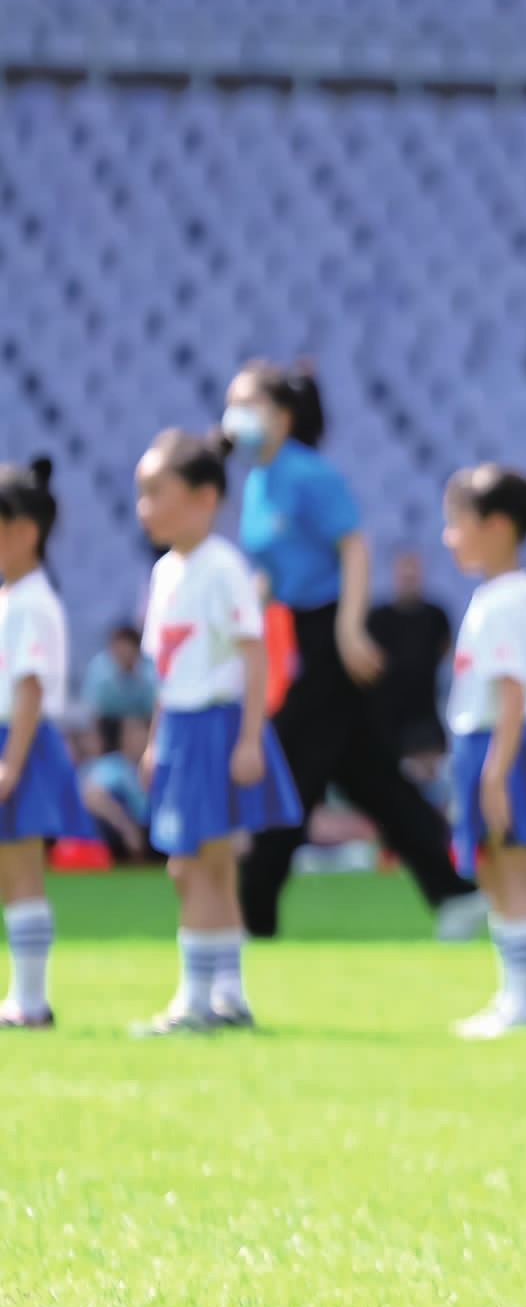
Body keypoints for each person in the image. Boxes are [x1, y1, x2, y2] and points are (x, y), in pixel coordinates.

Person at [221, 362, 479, 941]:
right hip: (293, 631)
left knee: (287, 768)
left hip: (329, 635)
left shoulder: (309, 474)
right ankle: (454, 892)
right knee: (370, 778)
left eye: (247, 404)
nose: (233, 417)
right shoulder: (259, 480)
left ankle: (253, 910)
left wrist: (348, 629)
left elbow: (354, 548)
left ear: (282, 416)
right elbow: (272, 569)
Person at [130, 430, 302, 1034]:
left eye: (157, 492)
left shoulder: (222, 567)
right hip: (181, 727)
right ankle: (228, 994)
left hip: (216, 724)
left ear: (205, 497)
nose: (145, 507)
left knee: (195, 865)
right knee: (210, 864)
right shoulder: (165, 572)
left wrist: (250, 737)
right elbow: (168, 667)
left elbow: (253, 654)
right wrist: (157, 738)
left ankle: (195, 999)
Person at [440, 466, 526, 1039]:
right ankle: (511, 997)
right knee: (494, 870)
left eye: (457, 523)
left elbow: (514, 692)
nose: (449, 537)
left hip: (505, 746)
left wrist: (496, 771)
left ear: (495, 526)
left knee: (513, 868)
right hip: (486, 743)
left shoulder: (508, 601)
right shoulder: (496, 595)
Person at [0, 459, 96, 1029]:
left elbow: (30, 688)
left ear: (24, 530)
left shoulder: (31, 602)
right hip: (16, 741)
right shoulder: (15, 596)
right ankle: (24, 995)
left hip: (22, 742)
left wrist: (11, 764)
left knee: (21, 871)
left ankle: (30, 1000)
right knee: (11, 873)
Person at [366, 547, 454, 779]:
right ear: (394, 575)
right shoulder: (378, 618)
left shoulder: (435, 616)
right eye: (404, 573)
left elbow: (446, 651)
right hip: (387, 722)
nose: (408, 578)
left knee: (432, 783)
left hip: (425, 720)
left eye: (413, 573)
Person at [79, 714, 152, 863]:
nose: (139, 738)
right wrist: (127, 829)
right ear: (123, 738)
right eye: (133, 734)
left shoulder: (154, 768)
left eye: (142, 732)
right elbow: (93, 795)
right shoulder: (113, 765)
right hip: (119, 837)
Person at [80, 623, 156, 729]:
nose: (123, 654)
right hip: (104, 722)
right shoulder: (99, 668)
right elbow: (92, 708)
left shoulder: (149, 669)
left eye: (127, 649)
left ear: (137, 650)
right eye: (119, 649)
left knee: (133, 728)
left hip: (137, 723)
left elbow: (152, 709)